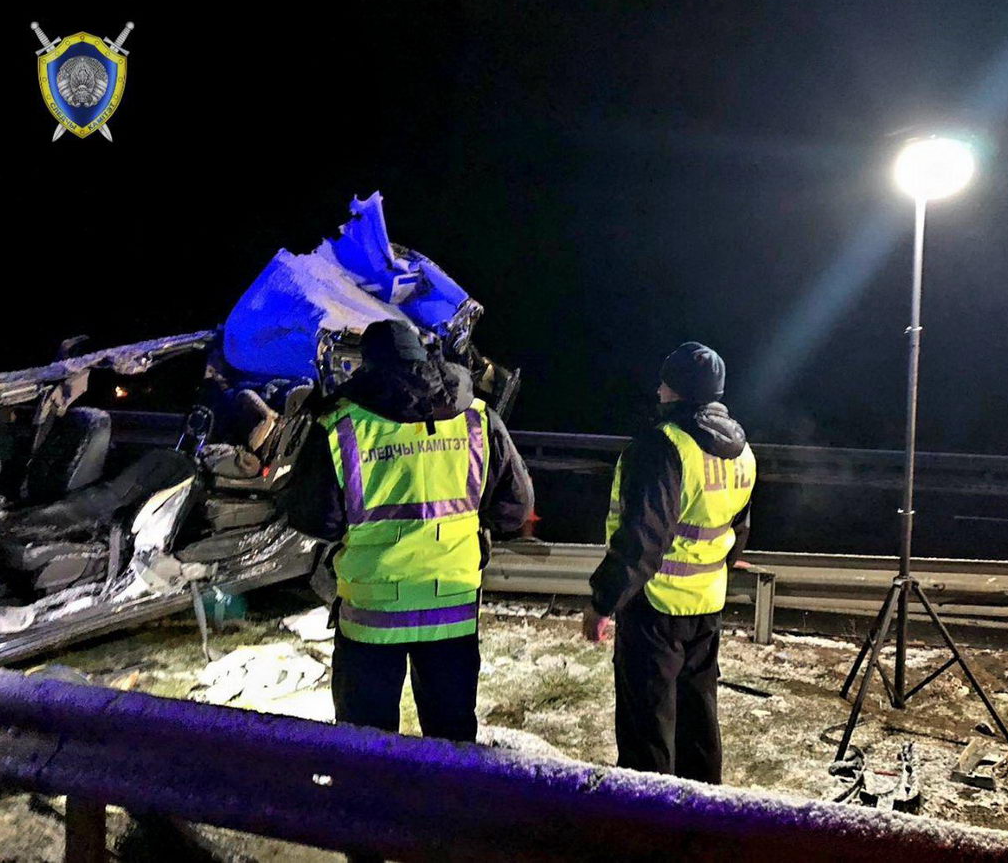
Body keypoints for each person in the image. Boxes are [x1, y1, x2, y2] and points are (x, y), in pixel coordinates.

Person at [286, 319, 533, 741]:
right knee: (452, 742)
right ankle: (447, 808)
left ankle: (376, 809)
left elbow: (314, 519)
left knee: (364, 747)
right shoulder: (476, 418)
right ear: (424, 356)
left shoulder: (341, 425)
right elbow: (515, 509)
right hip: (451, 608)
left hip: (371, 614)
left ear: (365, 365)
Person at [582, 342, 756, 784]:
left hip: (655, 607)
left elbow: (641, 540)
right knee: (699, 719)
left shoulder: (662, 447)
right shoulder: (740, 451)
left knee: (648, 728)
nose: (658, 389)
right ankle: (703, 815)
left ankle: (648, 825)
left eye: (664, 381)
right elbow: (738, 530)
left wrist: (604, 602)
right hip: (707, 603)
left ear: (675, 389)